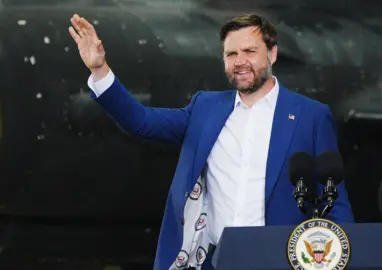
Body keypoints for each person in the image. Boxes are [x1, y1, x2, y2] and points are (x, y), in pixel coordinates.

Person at [68, 13, 354, 270]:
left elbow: (334, 198)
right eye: (231, 54)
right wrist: (100, 69)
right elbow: (140, 121)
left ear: (272, 54)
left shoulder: (311, 115)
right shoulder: (205, 108)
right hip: (214, 261)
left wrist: (343, 260)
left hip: (280, 260)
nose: (239, 61)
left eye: (249, 51)